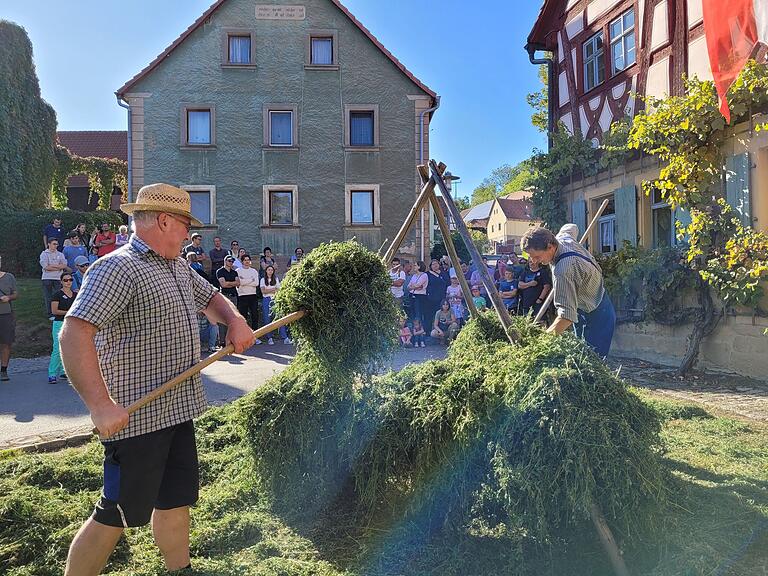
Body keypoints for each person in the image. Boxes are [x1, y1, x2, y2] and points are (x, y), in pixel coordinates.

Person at [59, 183, 254, 576]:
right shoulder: (118, 268)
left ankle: (178, 569)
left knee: (174, 501)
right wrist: (100, 406)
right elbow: (74, 333)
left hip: (177, 411)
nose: (189, 235)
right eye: (185, 225)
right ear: (164, 221)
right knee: (114, 515)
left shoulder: (178, 266)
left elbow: (213, 298)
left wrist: (234, 320)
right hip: (137, 420)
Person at [521, 225, 616, 358]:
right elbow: (571, 227)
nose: (534, 261)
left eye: (537, 256)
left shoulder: (563, 271)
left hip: (597, 315)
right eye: (531, 257)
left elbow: (566, 317)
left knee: (592, 362)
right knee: (579, 354)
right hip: (582, 308)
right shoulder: (562, 238)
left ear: (550, 246)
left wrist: (540, 345)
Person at [48, 273, 77, 384]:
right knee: (57, 348)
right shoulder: (57, 295)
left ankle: (65, 371)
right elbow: (54, 311)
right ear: (61, 282)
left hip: (71, 323)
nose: (68, 282)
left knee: (70, 349)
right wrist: (69, 312)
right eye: (65, 280)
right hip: (59, 323)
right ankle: (52, 373)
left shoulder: (75, 295)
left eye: (70, 280)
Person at [260, 265, 291, 345]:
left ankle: (284, 337)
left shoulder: (276, 279)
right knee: (267, 318)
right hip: (266, 300)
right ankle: (269, 338)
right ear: (266, 271)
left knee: (279, 317)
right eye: (269, 270)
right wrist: (273, 289)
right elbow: (263, 291)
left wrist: (269, 290)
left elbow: (278, 290)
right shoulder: (263, 280)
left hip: (275, 299)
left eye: (271, 270)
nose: (270, 271)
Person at [40, 238, 69, 319]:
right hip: (47, 278)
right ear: (49, 244)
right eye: (54, 244)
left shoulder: (60, 254)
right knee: (48, 296)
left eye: (56, 244)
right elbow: (46, 267)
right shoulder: (44, 254)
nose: (56, 246)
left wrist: (52, 265)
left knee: (58, 296)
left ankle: (58, 312)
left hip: (58, 278)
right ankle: (50, 314)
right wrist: (58, 267)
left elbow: (64, 265)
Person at [0, 255, 18, 382]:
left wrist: (9, 298)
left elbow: (16, 294)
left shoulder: (9, 277)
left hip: (6, 314)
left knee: (6, 342)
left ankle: (4, 370)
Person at [216, 255, 240, 347]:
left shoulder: (234, 272)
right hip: (225, 296)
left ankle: (231, 340)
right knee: (223, 319)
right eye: (229, 261)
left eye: (232, 261)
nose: (231, 263)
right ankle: (222, 341)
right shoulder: (220, 271)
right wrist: (232, 283)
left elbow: (238, 283)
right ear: (225, 261)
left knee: (233, 319)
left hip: (234, 296)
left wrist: (229, 283)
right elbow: (223, 284)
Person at [236, 254, 261, 334]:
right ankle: (244, 334)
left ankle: (255, 334)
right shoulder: (238, 271)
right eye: (245, 260)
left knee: (255, 315)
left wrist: (245, 281)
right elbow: (240, 283)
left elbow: (256, 283)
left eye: (248, 260)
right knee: (243, 316)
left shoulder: (254, 271)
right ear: (242, 261)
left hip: (252, 295)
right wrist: (251, 280)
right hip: (242, 296)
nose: (247, 261)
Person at [425, 259, 448, 331]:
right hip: (430, 298)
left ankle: (441, 330)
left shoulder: (444, 273)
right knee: (430, 314)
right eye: (433, 264)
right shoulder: (428, 274)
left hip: (441, 297)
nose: (435, 265)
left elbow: (448, 282)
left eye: (436, 264)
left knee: (440, 315)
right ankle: (429, 330)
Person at [407, 261, 428, 327]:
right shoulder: (414, 276)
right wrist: (415, 286)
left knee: (418, 314)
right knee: (412, 313)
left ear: (419, 266)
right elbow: (408, 286)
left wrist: (415, 286)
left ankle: (420, 330)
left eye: (415, 265)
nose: (414, 267)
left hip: (419, 297)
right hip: (412, 295)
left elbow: (418, 285)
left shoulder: (424, 275)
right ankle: (413, 329)